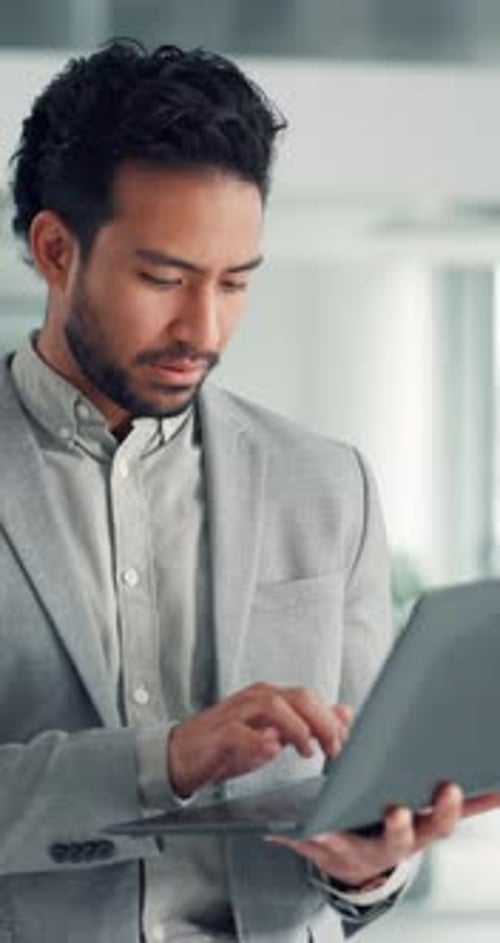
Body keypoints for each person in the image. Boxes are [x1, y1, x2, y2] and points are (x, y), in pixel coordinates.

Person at [2, 39, 499, 943]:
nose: (204, 326)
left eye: (235, 283)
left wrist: (375, 861)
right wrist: (167, 759)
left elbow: (367, 797)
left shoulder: (329, 486)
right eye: (163, 278)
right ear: (55, 249)